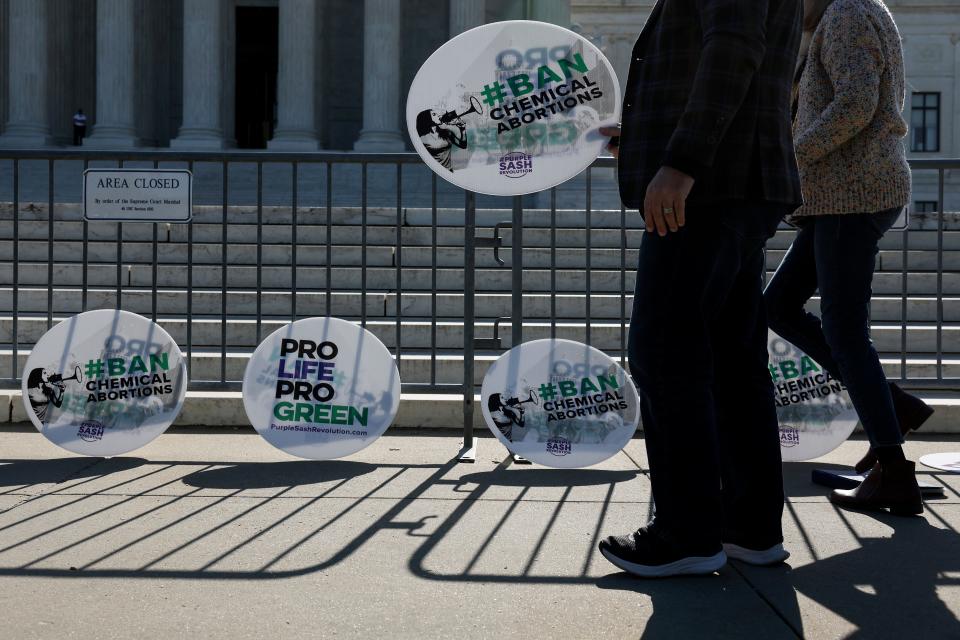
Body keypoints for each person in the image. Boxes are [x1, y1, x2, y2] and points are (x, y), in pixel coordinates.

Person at [596, 0, 803, 577]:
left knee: (666, 355)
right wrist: (644, 138)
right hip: (742, 180)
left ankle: (686, 533)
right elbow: (728, 61)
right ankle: (749, 529)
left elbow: (733, 51)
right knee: (734, 364)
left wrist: (681, 161)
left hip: (709, 188)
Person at [764, 0, 931, 516]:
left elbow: (858, 102)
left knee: (843, 329)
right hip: (838, 198)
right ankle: (895, 409)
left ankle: (894, 469)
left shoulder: (848, 13)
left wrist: (791, 159)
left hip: (852, 194)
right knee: (777, 309)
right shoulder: (847, 13)